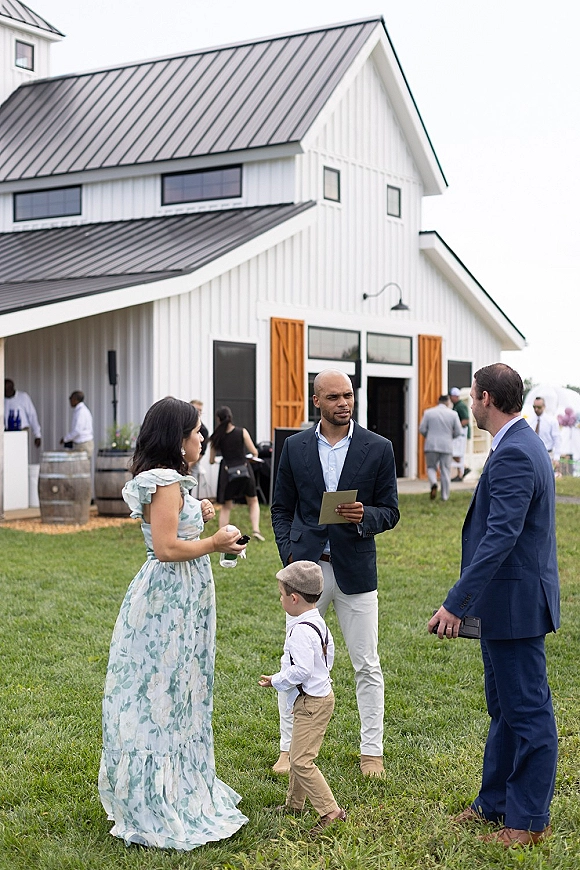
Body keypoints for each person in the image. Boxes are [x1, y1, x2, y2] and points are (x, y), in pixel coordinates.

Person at [98, 396, 248, 850]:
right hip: (167, 598)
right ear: (176, 438)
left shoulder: (174, 483)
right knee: (162, 690)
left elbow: (171, 530)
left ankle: (179, 786)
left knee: (182, 687)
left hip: (183, 597)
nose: (202, 438)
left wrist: (196, 514)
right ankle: (156, 798)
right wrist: (215, 542)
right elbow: (164, 548)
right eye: (196, 431)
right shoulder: (163, 482)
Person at [429, 363, 559, 848]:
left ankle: (527, 822)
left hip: (516, 605)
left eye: (472, 396)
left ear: (484, 397)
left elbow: (500, 536)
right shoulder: (516, 444)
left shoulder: (516, 453)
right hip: (505, 603)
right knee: (504, 708)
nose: (470, 404)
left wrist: (455, 604)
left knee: (528, 713)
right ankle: (495, 802)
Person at [271, 369, 400, 778]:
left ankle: (371, 752)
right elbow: (280, 508)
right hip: (307, 572)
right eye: (334, 397)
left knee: (367, 664)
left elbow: (391, 511)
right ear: (317, 402)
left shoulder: (378, 448)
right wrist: (291, 558)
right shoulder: (293, 447)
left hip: (356, 569)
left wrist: (366, 516)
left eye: (348, 396)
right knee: (296, 662)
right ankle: (289, 750)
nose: (344, 403)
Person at [258, 561, 346, 836]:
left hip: (311, 703)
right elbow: (326, 658)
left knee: (301, 761)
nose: (280, 599)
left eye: (281, 595)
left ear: (293, 598)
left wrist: (276, 680)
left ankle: (331, 811)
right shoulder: (318, 623)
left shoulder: (298, 631)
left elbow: (301, 670)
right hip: (319, 697)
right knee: (298, 752)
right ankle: (294, 806)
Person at [209, 406, 264, 541]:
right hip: (245, 470)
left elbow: (211, 460)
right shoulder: (242, 432)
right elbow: (255, 452)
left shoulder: (216, 437)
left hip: (227, 474)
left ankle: (223, 534)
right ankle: (256, 530)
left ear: (218, 419)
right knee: (253, 501)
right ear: (230, 417)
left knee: (226, 506)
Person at [419, 394, 463, 501]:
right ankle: (444, 496)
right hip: (446, 445)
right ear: (448, 402)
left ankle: (433, 482)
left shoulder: (428, 413)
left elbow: (422, 429)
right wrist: (450, 436)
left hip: (431, 444)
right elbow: (459, 431)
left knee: (431, 467)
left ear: (438, 401)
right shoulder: (453, 414)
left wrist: (428, 436)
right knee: (445, 470)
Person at [4, 378, 41, 447]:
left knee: (19, 453)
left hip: (21, 431)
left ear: (11, 388)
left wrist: (37, 435)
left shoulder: (23, 397)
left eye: (6, 390)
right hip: (6, 432)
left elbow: (32, 415)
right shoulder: (2, 399)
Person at [528, 396, 561, 472]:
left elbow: (557, 439)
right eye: (534, 407)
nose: (536, 409)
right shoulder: (530, 421)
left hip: (547, 454)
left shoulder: (552, 421)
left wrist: (556, 457)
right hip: (533, 454)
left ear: (544, 407)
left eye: (539, 407)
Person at [60, 390, 94, 458]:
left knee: (82, 467)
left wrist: (65, 439)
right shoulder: (81, 410)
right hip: (82, 443)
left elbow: (77, 430)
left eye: (70, 398)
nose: (70, 401)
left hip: (83, 444)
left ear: (75, 399)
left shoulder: (81, 412)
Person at [449, 387, 471, 481]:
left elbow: (465, 420)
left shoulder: (460, 406)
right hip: (458, 434)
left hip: (461, 434)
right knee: (456, 453)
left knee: (456, 452)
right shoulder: (456, 405)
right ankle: (461, 471)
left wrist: (456, 429)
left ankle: (462, 471)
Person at [189, 399, 209, 497]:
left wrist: (188, 465)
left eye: (200, 411)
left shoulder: (204, 430)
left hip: (192, 463)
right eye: (196, 410)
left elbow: (201, 452)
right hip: (178, 463)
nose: (198, 413)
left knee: (187, 491)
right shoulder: (182, 426)